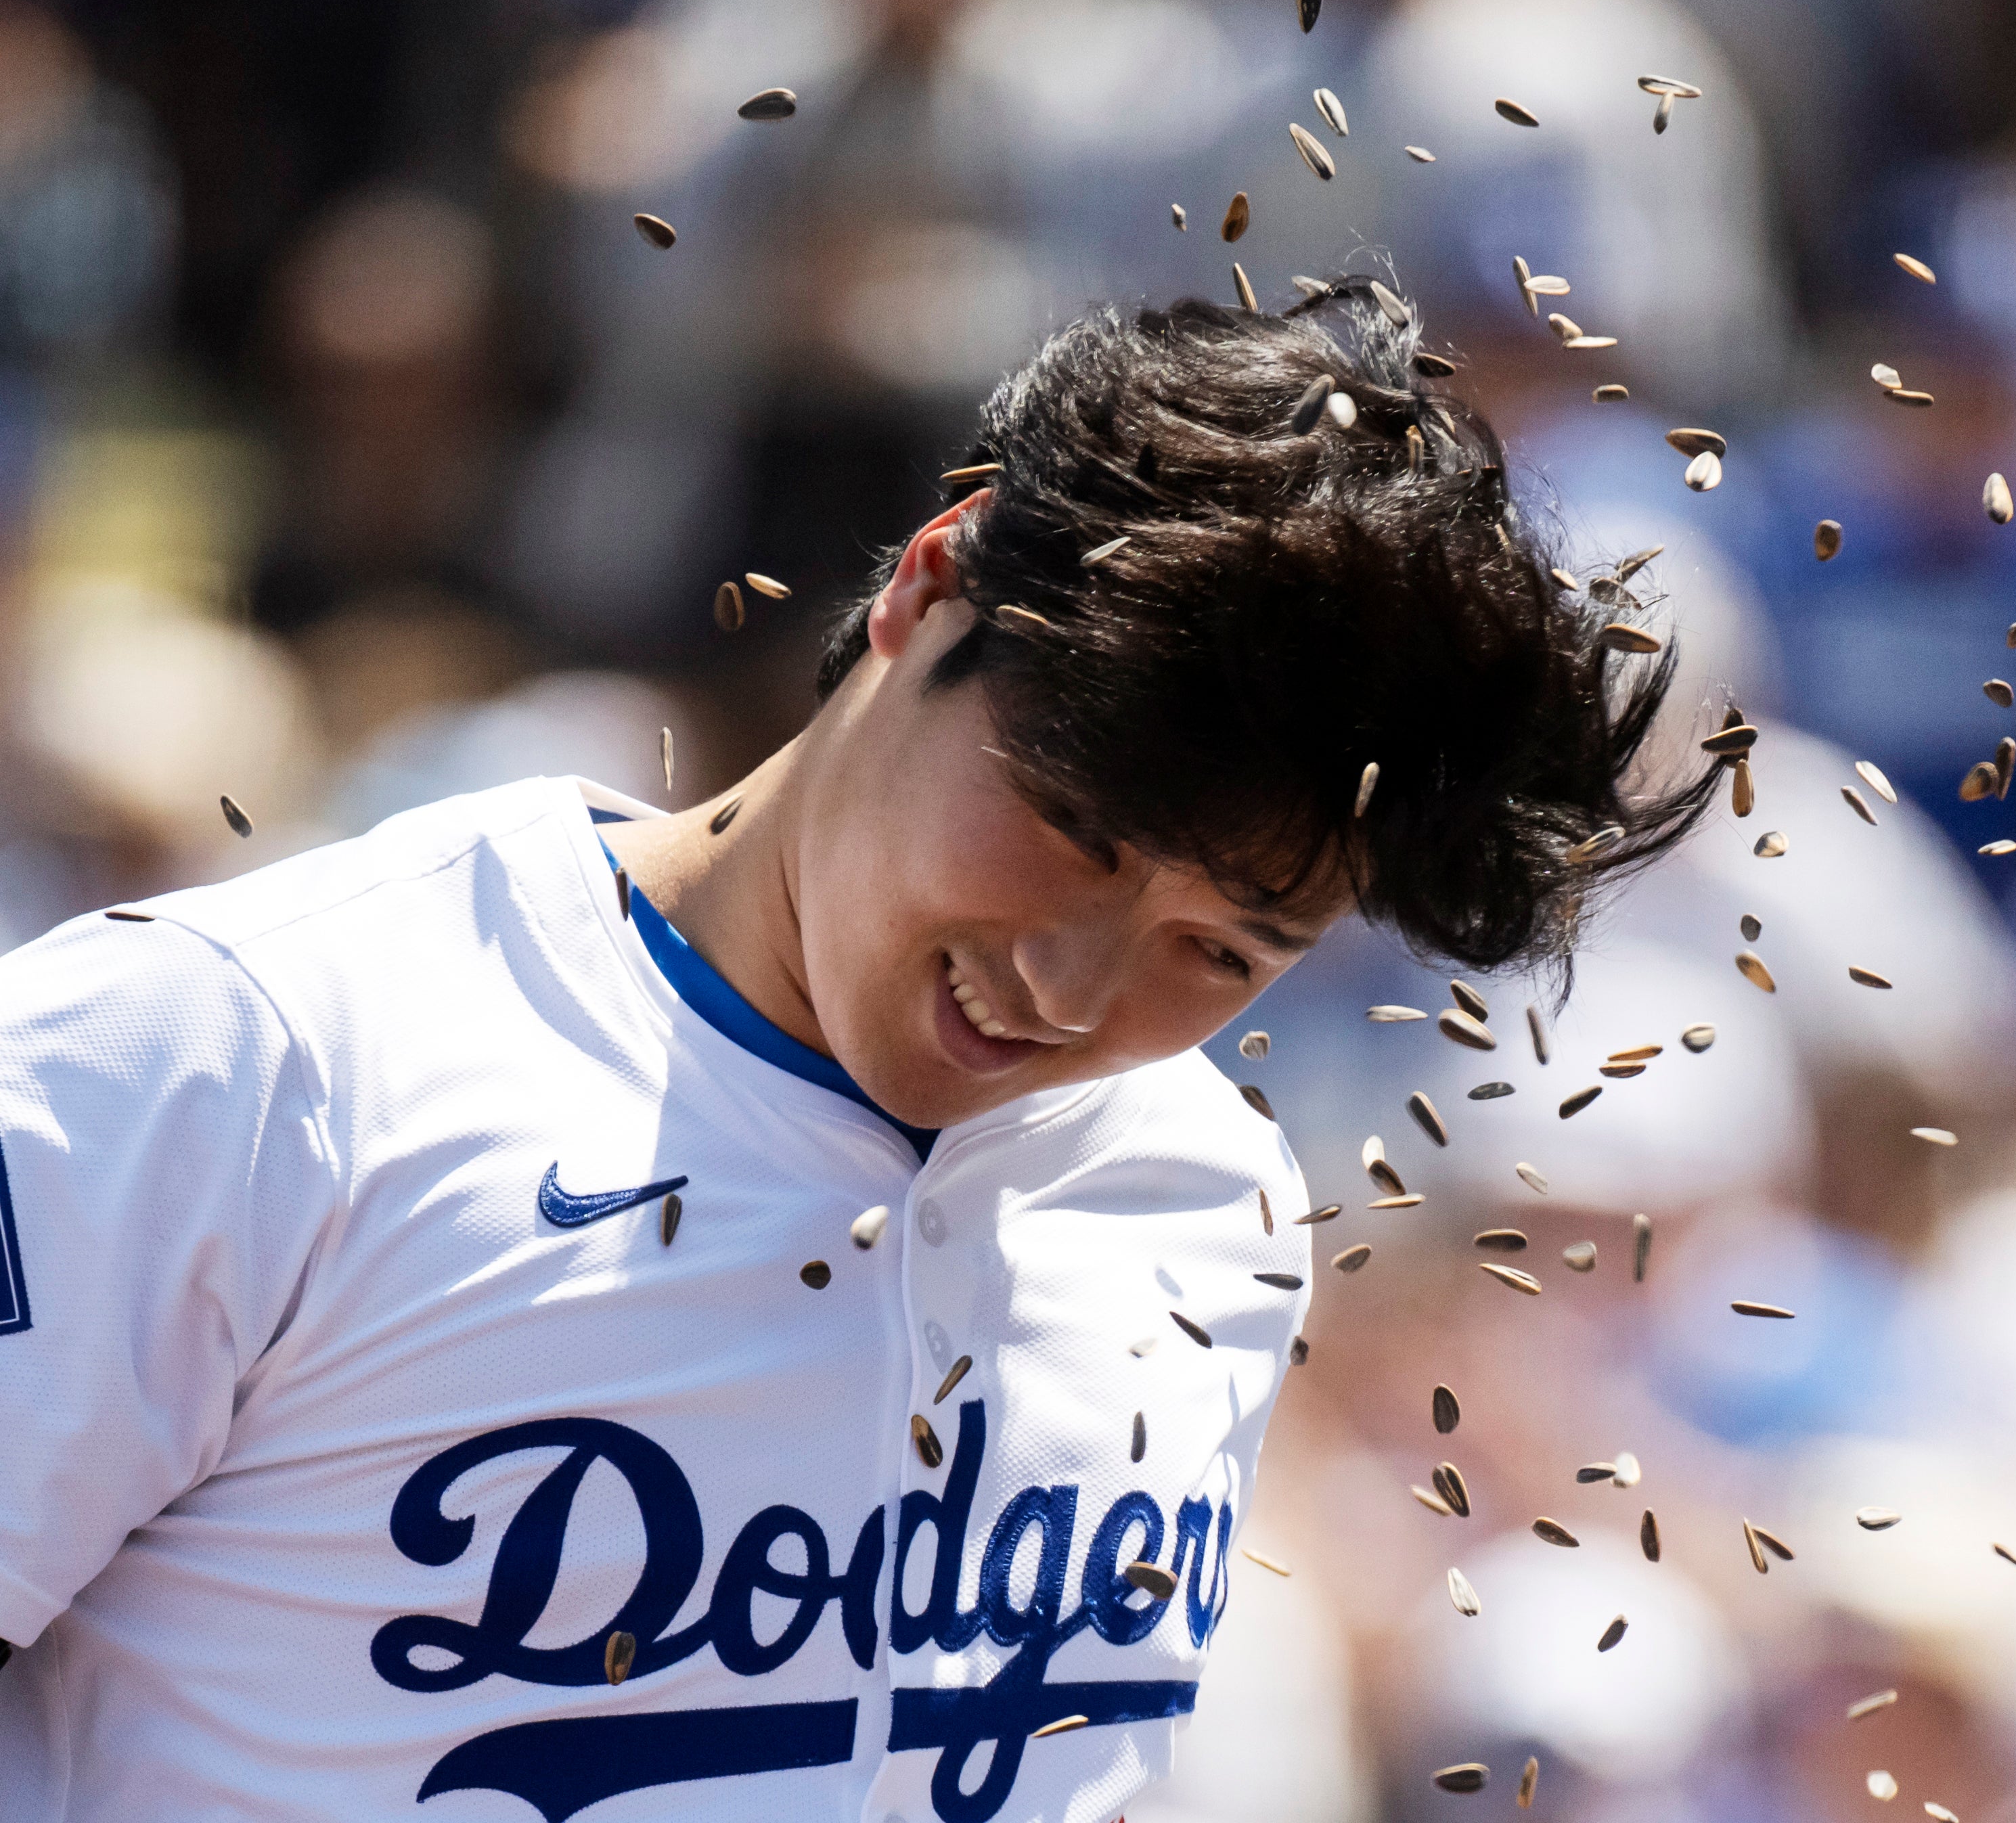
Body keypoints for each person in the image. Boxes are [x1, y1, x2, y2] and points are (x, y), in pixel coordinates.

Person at [0, 282, 1716, 1822]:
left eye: (1221, 949)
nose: (1068, 984)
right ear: (930, 585)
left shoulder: (1209, 1206)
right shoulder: (241, 1051)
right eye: (1073, 827)